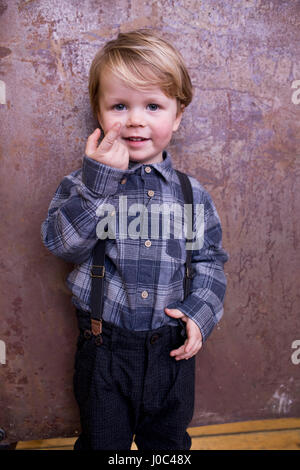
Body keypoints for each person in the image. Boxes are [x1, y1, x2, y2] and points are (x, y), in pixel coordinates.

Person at [41, 29, 228, 450]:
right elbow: (61, 244)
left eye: (153, 106)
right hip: (103, 347)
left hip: (171, 350)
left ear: (177, 116)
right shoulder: (81, 186)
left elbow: (209, 262)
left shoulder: (190, 193)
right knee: (102, 444)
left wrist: (201, 313)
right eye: (120, 106)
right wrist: (98, 185)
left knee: (169, 445)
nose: (135, 120)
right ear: (99, 112)